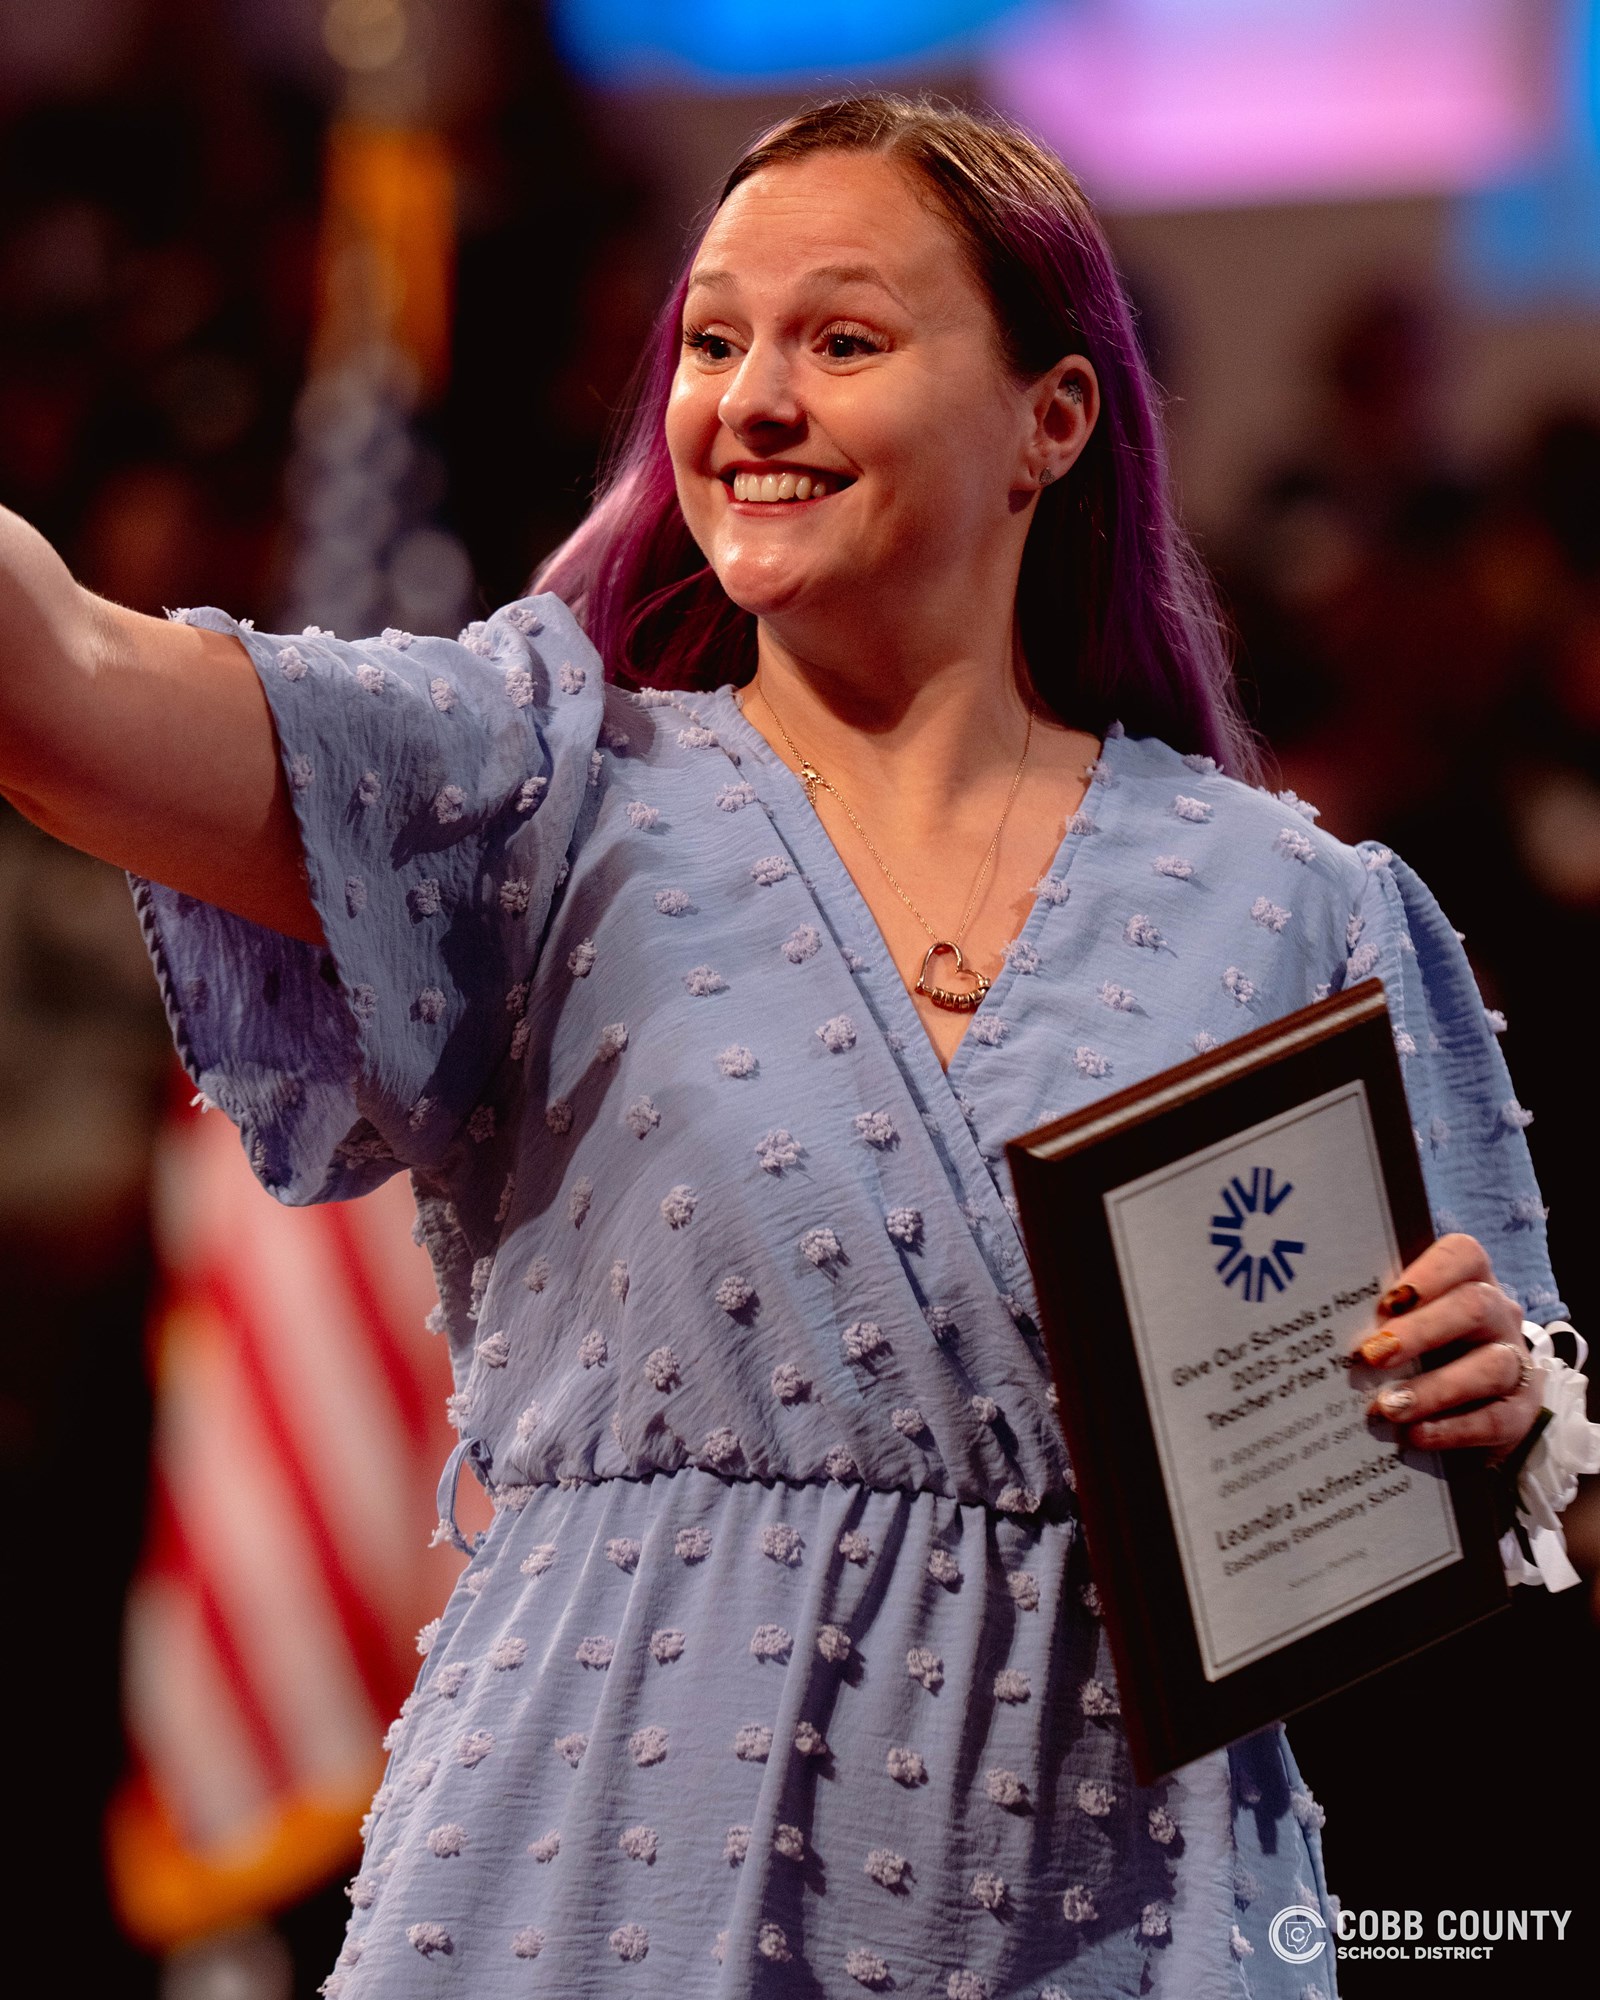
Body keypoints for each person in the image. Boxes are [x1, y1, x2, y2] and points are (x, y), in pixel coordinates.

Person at [0, 93, 1593, 2000]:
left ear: (1052, 423)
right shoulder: (540, 787)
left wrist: (1502, 1406)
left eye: (840, 339)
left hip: (1119, 1905)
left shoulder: (1294, 905)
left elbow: (1543, 1498)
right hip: (590, 1875)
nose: (747, 398)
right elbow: (66, 684)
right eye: (711, 339)